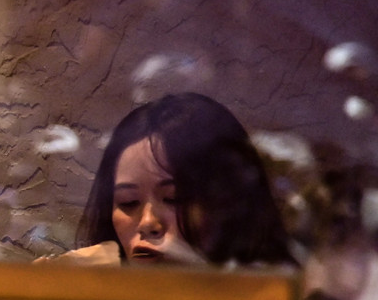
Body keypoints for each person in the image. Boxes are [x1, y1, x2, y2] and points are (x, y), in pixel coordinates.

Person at [71, 92, 295, 267]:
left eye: (174, 199)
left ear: (229, 204)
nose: (148, 222)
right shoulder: (84, 294)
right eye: (128, 202)